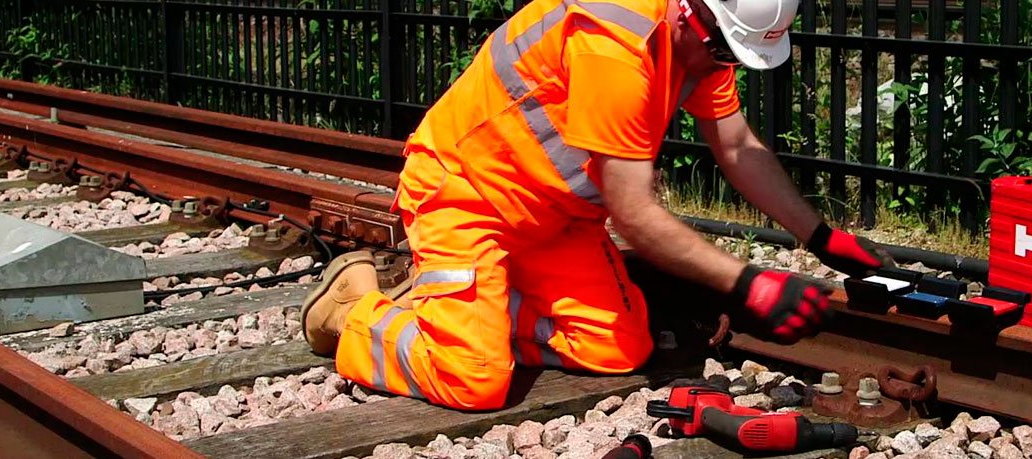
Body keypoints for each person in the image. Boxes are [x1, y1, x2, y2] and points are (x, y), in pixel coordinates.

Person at [300, 0, 894, 411]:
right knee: (474, 381)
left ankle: (471, 304)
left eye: (731, 56)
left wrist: (819, 237)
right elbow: (634, 212)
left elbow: (737, 146)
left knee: (618, 350)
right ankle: (355, 312)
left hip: (555, 219)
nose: (722, 65)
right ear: (690, 14)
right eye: (720, 49)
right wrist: (750, 285)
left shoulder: (698, 49)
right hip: (466, 198)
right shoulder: (617, 48)